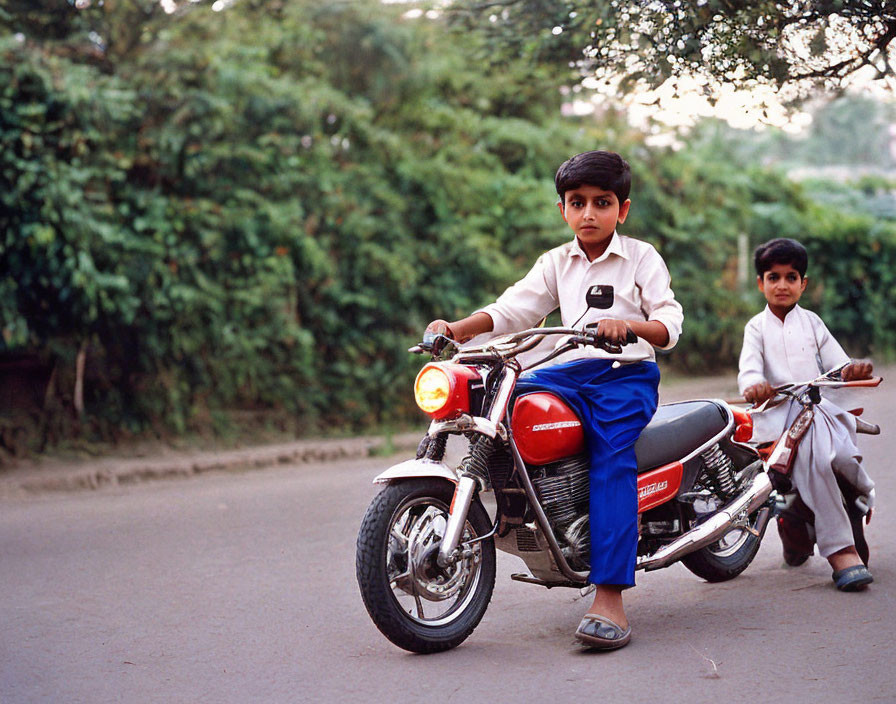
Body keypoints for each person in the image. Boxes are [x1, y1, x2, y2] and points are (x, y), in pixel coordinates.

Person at [425, 150, 683, 649]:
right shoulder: (555, 262)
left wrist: (627, 326)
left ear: (622, 210)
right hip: (566, 370)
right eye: (577, 202)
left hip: (624, 376)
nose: (589, 213)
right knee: (492, 400)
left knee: (611, 458)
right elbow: (513, 310)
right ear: (563, 209)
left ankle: (610, 595)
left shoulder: (642, 257)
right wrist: (455, 329)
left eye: (601, 202)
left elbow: (668, 324)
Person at [737, 237, 876, 591]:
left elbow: (839, 365)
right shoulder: (756, 327)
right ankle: (840, 550)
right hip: (779, 418)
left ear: (804, 283)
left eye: (791, 277)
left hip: (818, 409)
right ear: (760, 283)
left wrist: (852, 370)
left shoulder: (813, 323)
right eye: (773, 277)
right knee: (815, 459)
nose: (782, 285)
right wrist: (755, 385)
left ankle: (856, 499)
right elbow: (749, 370)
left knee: (844, 457)